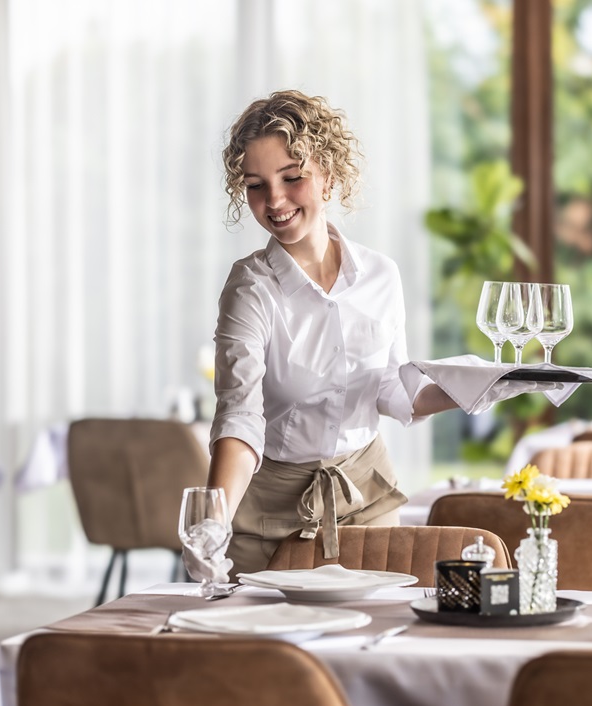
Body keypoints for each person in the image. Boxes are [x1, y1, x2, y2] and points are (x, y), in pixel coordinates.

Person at [207, 89, 509, 576]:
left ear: (328, 176)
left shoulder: (381, 275)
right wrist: (212, 523)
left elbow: (391, 391)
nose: (275, 200)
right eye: (257, 185)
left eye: (292, 177)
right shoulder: (251, 288)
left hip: (367, 497)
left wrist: (482, 385)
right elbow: (240, 415)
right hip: (269, 513)